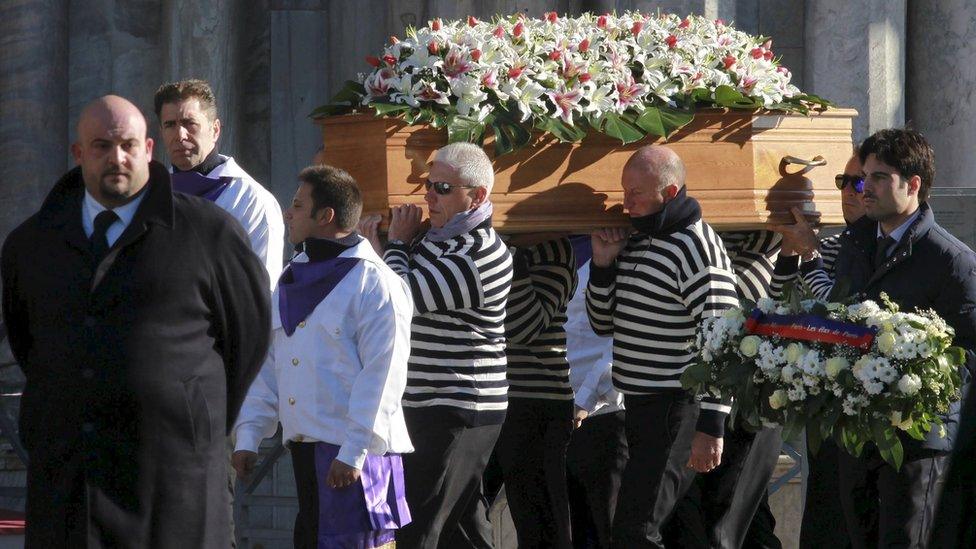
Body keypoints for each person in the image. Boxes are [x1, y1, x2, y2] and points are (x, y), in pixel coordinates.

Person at [0, 95, 271, 547]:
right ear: (79, 154)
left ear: (148, 149)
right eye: (102, 146)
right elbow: (29, 341)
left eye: (127, 145)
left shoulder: (210, 235)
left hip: (176, 489)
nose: (117, 158)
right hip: (72, 489)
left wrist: (189, 414)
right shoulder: (32, 244)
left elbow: (247, 339)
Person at [232, 165, 413, 548]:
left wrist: (354, 452)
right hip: (305, 451)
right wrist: (249, 434)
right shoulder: (289, 278)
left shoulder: (376, 282)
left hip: (356, 458)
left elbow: (384, 374)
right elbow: (270, 362)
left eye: (297, 205)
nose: (288, 213)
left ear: (325, 216)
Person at [827, 128, 976, 548]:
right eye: (862, 177)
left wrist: (909, 376)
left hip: (917, 438)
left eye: (878, 178)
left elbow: (966, 355)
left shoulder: (951, 261)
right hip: (856, 430)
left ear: (913, 185)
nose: (863, 188)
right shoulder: (854, 245)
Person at [586, 145, 740, 548]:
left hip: (677, 407)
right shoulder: (637, 239)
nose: (625, 202)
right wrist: (602, 266)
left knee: (636, 532)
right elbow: (603, 324)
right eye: (624, 191)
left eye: (635, 192)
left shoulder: (697, 249)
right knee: (663, 529)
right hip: (637, 406)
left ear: (669, 193)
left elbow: (724, 341)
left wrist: (712, 426)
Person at [381, 142, 513, 548]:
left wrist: (396, 245)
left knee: (421, 529)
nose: (428, 196)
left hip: (458, 408)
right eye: (428, 184)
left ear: (477, 197)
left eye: (442, 187)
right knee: (462, 532)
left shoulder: (481, 254)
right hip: (428, 405)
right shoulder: (434, 238)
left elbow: (399, 301)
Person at [665, 230, 785, 549]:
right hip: (695, 396)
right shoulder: (690, 241)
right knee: (705, 521)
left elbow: (728, 305)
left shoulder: (771, 241)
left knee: (728, 523)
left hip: (747, 401)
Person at [769, 152, 866, 549]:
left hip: (863, 409)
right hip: (823, 404)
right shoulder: (832, 245)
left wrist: (809, 254)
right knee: (825, 519)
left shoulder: (874, 250)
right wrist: (791, 252)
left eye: (858, 183)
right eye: (842, 180)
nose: (847, 191)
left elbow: (838, 316)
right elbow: (778, 304)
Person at [154, 79, 284, 284]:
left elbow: (261, 290)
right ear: (161, 132)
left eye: (190, 123)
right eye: (170, 125)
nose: (180, 135)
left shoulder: (251, 200)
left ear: (215, 130)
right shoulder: (151, 197)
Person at [495, 234, 577, 548]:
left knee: (541, 523)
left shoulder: (553, 248)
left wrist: (510, 257)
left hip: (536, 401)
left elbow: (523, 328)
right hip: (490, 396)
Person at [564, 235, 628, 549]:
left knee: (611, 530)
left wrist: (589, 394)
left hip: (606, 413)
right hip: (558, 409)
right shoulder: (548, 242)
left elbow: (625, 339)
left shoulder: (622, 248)